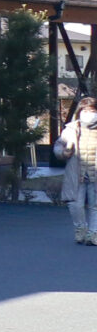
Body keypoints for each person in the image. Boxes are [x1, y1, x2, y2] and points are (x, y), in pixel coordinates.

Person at [62, 96, 97, 245]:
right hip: (77, 173)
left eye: (92, 110)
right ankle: (80, 228)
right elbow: (59, 146)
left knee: (95, 206)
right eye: (85, 110)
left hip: (94, 173)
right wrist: (63, 152)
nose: (88, 113)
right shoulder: (72, 128)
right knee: (75, 204)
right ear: (80, 111)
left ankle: (93, 233)